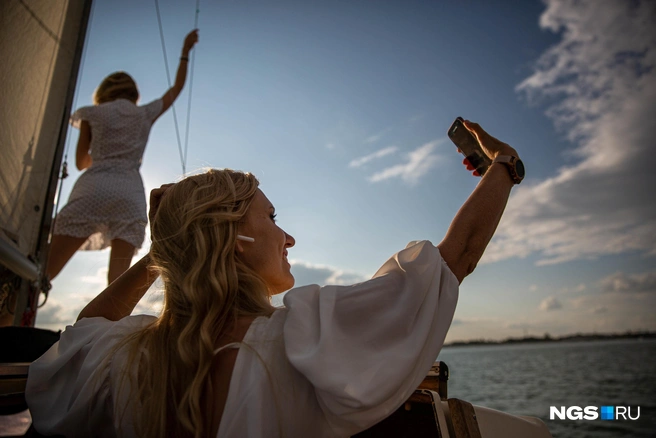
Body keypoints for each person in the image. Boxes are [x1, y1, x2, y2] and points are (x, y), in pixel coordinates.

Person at [26, 121, 523, 437]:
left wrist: (161, 253)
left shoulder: (121, 359)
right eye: (272, 217)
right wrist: (503, 163)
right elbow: (456, 256)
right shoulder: (305, 344)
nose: (288, 239)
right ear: (232, 237)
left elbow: (87, 328)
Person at [46, 29, 199, 286]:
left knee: (42, 272)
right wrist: (184, 51)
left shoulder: (92, 114)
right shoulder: (143, 114)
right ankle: (110, 326)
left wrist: (104, 156)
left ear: (104, 93)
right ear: (133, 93)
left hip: (92, 189)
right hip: (129, 193)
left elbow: (81, 162)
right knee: (116, 285)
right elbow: (176, 89)